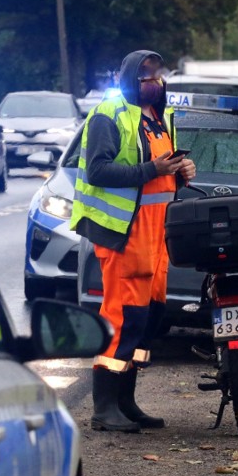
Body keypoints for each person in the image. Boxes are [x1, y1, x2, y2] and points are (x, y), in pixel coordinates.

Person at [71, 50, 196, 433]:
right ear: (129, 79)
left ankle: (126, 402)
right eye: (145, 77)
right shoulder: (110, 115)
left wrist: (181, 172)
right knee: (121, 319)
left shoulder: (161, 118)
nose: (153, 82)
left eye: (157, 76)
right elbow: (97, 170)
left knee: (146, 321)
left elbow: (162, 176)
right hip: (123, 234)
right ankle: (104, 409)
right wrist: (152, 169)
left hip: (155, 237)